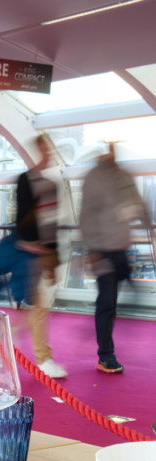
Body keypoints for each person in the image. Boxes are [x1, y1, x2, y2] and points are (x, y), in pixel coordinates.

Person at [79, 142, 147, 374]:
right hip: (102, 250)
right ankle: (106, 356)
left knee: (128, 296)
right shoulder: (93, 178)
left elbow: (139, 204)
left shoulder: (124, 175)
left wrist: (147, 225)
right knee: (107, 303)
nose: (111, 151)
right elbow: (86, 215)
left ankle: (99, 324)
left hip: (121, 250)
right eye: (107, 149)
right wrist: (93, 251)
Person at [15, 134, 67, 379]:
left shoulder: (52, 184)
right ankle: (43, 359)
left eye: (50, 148)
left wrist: (54, 258)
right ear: (36, 151)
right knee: (39, 307)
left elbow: (52, 222)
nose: (49, 153)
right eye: (45, 149)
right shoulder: (25, 180)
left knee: (38, 307)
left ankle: (4, 342)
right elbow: (21, 217)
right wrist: (29, 244)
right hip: (29, 252)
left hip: (46, 250)